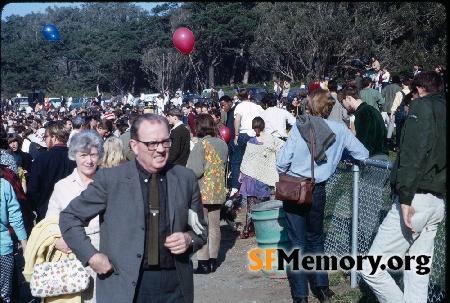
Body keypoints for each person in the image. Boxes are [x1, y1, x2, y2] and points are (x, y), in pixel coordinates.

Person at [59, 113, 207, 303]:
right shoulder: (110, 180)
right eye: (152, 144)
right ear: (134, 146)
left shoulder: (186, 178)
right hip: (125, 286)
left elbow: (201, 230)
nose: (161, 149)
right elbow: (69, 217)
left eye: (165, 141)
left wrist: (189, 239)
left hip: (175, 286)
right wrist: (91, 256)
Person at [360, 71, 446, 303]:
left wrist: (405, 198)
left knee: (370, 268)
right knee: (418, 274)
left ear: (417, 90)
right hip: (437, 202)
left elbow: (413, 154)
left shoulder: (421, 107)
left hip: (415, 199)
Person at [276, 89, 369, 303]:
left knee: (297, 243)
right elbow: (362, 154)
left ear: (311, 106)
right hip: (318, 189)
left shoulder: (300, 127)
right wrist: (340, 155)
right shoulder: (340, 131)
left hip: (295, 188)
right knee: (316, 240)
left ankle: (300, 295)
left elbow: (281, 162)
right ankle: (323, 289)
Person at [45, 130, 104, 302]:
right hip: (73, 257)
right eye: (83, 155)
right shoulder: (62, 186)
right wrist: (57, 240)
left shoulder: (109, 182)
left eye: (93, 154)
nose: (89, 160)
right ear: (74, 156)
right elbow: (50, 222)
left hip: (105, 254)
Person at [186, 114, 228, 274]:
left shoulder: (201, 145)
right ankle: (213, 261)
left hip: (202, 190)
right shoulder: (222, 144)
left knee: (201, 227)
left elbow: (196, 170)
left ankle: (203, 263)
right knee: (215, 227)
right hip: (217, 189)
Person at [239, 117, 284, 239]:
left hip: (258, 175)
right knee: (256, 203)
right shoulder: (267, 140)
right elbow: (247, 159)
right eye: (255, 128)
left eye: (256, 127)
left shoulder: (258, 141)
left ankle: (251, 229)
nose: (256, 130)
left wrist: (241, 173)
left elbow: (246, 159)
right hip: (253, 175)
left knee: (256, 203)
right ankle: (250, 229)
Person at [27, 123, 77, 222]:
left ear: (54, 138)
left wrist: (40, 206)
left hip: (46, 213)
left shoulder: (42, 159)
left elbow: (33, 188)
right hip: (72, 212)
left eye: (46, 137)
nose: (45, 140)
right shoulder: (76, 158)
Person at [340, 85, 389, 160]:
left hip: (373, 159)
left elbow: (362, 141)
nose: (343, 106)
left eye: (342, 102)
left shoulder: (363, 112)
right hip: (380, 156)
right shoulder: (370, 110)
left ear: (348, 98)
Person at [230, 88, 264, 199]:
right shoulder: (257, 107)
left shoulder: (239, 107)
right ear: (249, 96)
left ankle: (235, 187)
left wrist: (236, 135)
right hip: (255, 134)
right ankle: (255, 187)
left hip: (243, 134)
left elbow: (237, 120)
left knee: (237, 162)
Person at [0, 172, 28, 303]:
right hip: (3, 249)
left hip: (3, 249)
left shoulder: (5, 185)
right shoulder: (4, 185)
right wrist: (25, 246)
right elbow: (15, 216)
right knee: (4, 294)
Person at [389, 78, 411, 151]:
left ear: (403, 84)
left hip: (400, 113)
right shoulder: (412, 93)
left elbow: (395, 104)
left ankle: (398, 145)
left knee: (398, 130)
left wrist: (392, 114)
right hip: (409, 113)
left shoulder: (399, 93)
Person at [381, 75, 402, 141]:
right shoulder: (399, 88)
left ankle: (390, 135)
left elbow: (381, 95)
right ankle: (389, 136)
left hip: (386, 106)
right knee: (391, 122)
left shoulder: (387, 87)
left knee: (389, 121)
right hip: (394, 106)